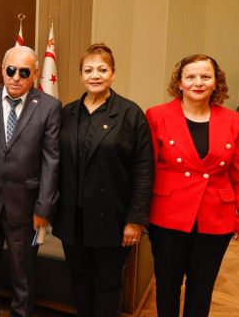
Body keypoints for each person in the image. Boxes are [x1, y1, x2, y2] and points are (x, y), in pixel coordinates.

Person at [145, 54, 239, 316]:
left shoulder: (232, 120)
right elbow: (146, 169)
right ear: (179, 82)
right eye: (191, 77)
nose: (198, 82)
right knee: (167, 286)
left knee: (201, 289)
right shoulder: (157, 115)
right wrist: (138, 214)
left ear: (216, 82)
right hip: (168, 216)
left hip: (215, 216)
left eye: (206, 76)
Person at [51, 43, 154, 317]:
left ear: (113, 73)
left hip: (113, 219)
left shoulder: (131, 114)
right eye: (88, 70)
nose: (95, 75)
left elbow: (144, 170)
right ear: (81, 76)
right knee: (79, 280)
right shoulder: (67, 113)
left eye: (102, 69)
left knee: (107, 283)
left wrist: (135, 219)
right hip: (72, 219)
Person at [0, 46, 61, 316]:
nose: (16, 77)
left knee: (23, 272)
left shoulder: (49, 107)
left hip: (26, 206)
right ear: (3, 70)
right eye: (11, 70)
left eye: (24, 72)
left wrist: (44, 208)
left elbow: (51, 161)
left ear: (35, 74)